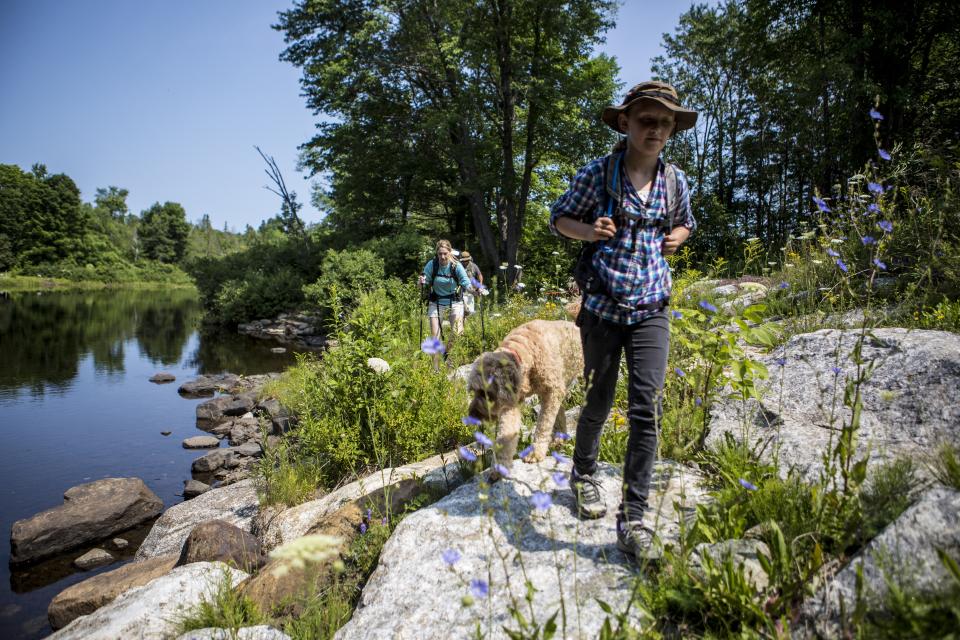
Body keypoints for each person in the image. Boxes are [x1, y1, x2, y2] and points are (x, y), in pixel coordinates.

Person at [548, 80, 697, 563]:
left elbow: (686, 222)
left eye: (664, 121)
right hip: (603, 309)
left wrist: (677, 236)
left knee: (645, 410)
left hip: (653, 305)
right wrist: (589, 230)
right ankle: (584, 473)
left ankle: (633, 518)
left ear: (672, 129)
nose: (655, 129)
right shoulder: (599, 175)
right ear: (626, 123)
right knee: (598, 401)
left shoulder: (674, 181)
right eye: (646, 120)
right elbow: (558, 219)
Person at [419, 239, 472, 368]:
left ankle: (447, 354)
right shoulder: (432, 265)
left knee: (458, 332)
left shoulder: (456, 266)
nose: (442, 257)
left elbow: (465, 282)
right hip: (436, 303)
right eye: (440, 254)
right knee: (435, 338)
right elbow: (423, 282)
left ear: (450, 252)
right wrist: (421, 282)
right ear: (437, 254)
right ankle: (435, 370)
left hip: (455, 302)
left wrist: (475, 290)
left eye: (445, 253)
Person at [460, 251, 484, 317]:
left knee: (469, 312)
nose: (465, 262)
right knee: (461, 312)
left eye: (467, 260)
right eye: (464, 261)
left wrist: (480, 285)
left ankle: (467, 325)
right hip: (460, 292)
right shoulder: (458, 266)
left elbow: (479, 275)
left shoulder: (473, 266)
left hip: (471, 292)